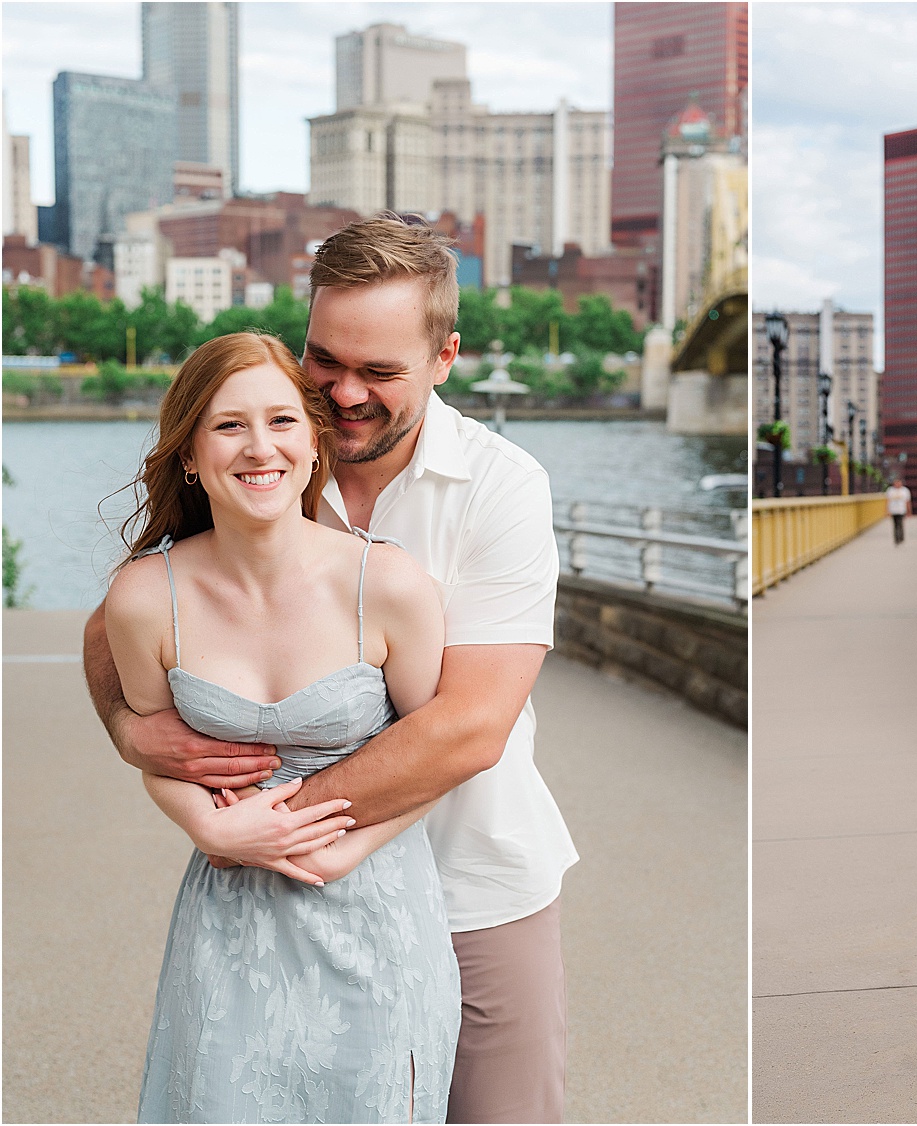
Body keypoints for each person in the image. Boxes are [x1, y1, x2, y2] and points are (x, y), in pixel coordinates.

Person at [85, 216, 576, 1124]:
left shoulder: (503, 488)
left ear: (444, 357)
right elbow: (121, 627)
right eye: (326, 360)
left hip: (471, 878)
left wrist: (263, 833)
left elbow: (467, 725)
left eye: (380, 371)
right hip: (261, 907)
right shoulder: (265, 462)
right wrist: (132, 732)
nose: (344, 394)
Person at [105, 332, 461, 1121]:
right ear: (191, 454)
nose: (259, 447)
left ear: (312, 444)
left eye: (281, 422)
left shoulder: (390, 585)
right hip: (227, 925)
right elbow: (162, 754)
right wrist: (216, 834)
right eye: (229, 426)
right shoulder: (142, 599)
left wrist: (341, 850)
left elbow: (439, 754)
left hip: (378, 917)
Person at [885, 477, 912, 544]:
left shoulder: (905, 491)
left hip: (901, 510)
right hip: (893, 510)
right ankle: (896, 539)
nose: (897, 484)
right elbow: (887, 501)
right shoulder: (890, 490)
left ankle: (901, 538)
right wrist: (887, 510)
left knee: (900, 524)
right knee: (895, 525)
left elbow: (908, 502)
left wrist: (909, 511)